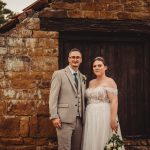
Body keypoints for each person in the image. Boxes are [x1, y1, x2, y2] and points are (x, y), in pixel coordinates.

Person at [82, 57, 125, 150]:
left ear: (105, 67)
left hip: (104, 115)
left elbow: (114, 101)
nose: (96, 68)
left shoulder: (110, 81)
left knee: (104, 138)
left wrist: (113, 120)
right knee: (93, 139)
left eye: (99, 65)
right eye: (94, 66)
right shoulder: (91, 82)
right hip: (91, 116)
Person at [49, 48, 86, 150]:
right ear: (68, 59)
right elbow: (53, 96)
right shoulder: (59, 74)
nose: (75, 59)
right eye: (73, 57)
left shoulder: (83, 77)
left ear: (81, 60)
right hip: (63, 120)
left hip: (79, 120)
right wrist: (54, 116)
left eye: (77, 57)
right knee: (64, 148)